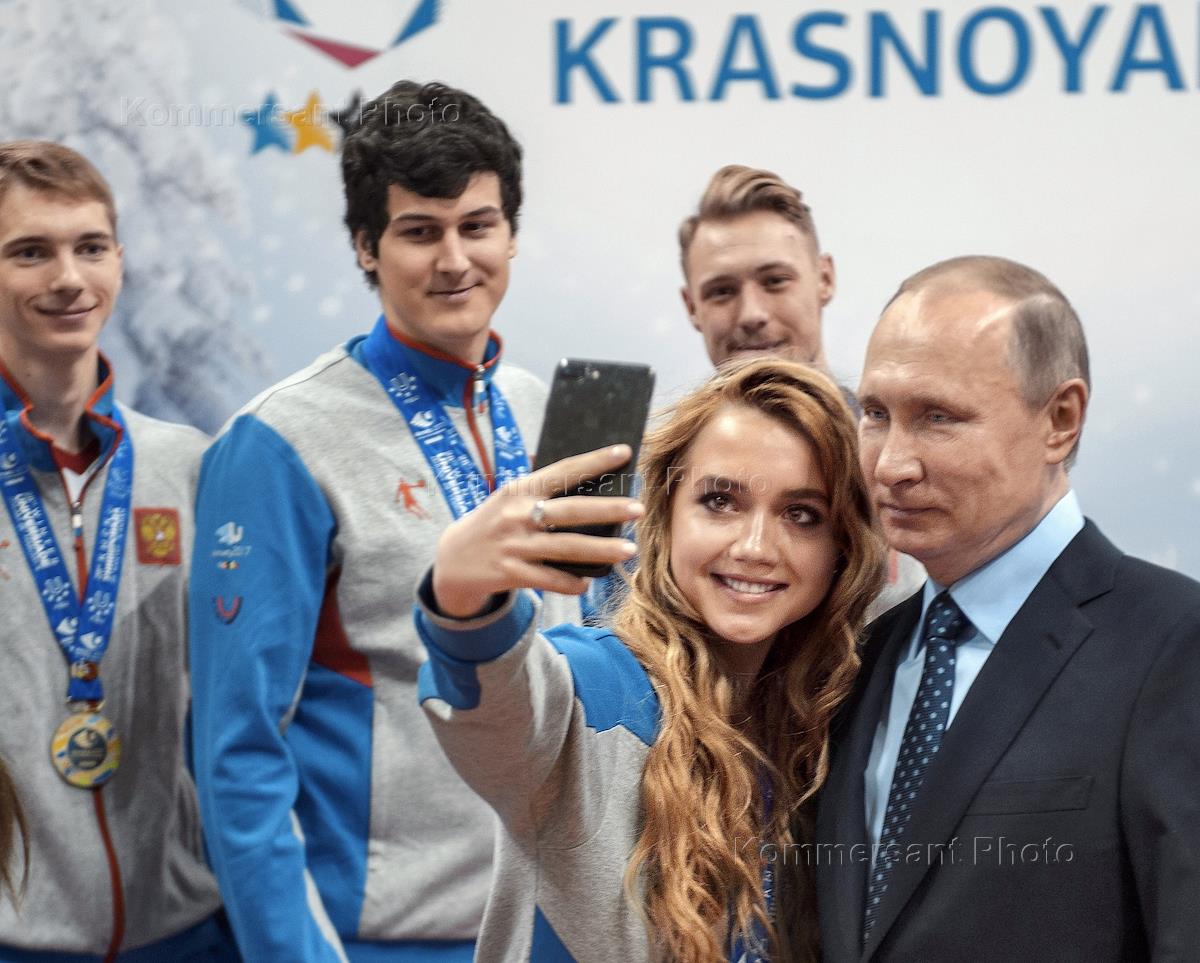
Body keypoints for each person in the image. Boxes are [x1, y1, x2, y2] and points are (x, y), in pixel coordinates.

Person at [188, 81, 581, 961]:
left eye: (477, 225)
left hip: (550, 925)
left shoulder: (539, 413)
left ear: (511, 234)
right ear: (366, 246)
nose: (455, 260)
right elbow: (238, 750)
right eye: (420, 231)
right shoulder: (279, 442)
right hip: (382, 939)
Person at [417, 359, 884, 963]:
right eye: (720, 501)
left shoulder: (829, 724)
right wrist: (462, 603)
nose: (755, 547)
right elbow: (494, 709)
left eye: (801, 515)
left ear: (842, 545)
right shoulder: (593, 688)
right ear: (665, 514)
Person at [815, 255, 1200, 961]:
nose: (892, 464)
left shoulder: (1175, 644)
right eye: (875, 414)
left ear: (1061, 419)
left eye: (937, 417)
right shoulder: (858, 661)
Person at [0, 141, 235, 959]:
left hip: (186, 929)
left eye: (90, 247)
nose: (69, 278)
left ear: (120, 263)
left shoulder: (186, 464)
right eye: (31, 251)